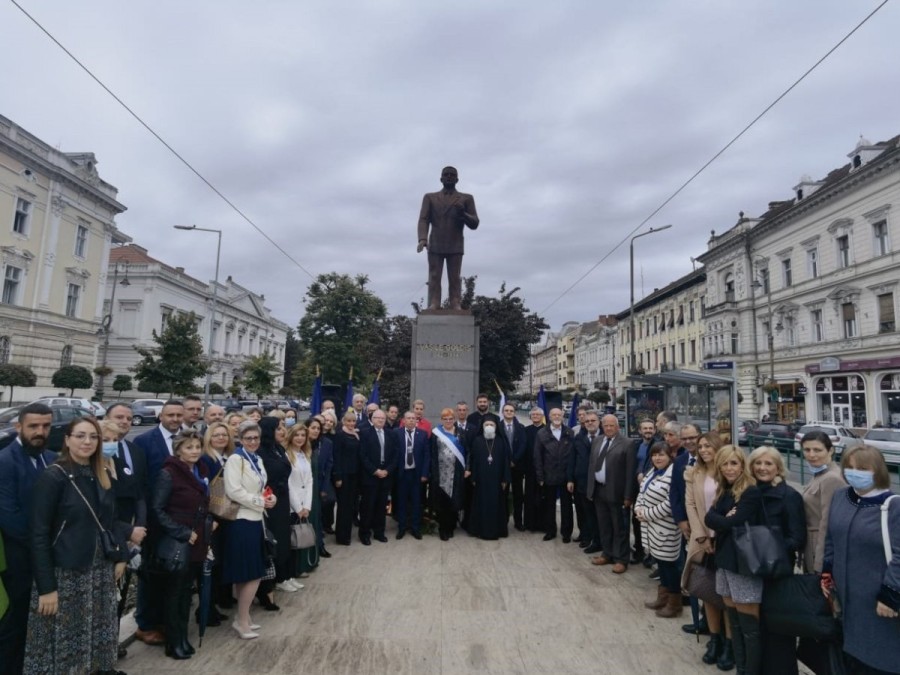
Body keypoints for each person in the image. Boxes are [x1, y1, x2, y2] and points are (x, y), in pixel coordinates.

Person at [25, 417, 129, 673]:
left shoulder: (100, 473)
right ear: (67, 440)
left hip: (99, 571)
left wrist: (120, 556)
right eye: (81, 435)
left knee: (96, 634)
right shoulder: (54, 476)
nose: (87, 441)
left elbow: (111, 520)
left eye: (93, 436)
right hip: (67, 572)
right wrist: (47, 587)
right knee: (63, 640)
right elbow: (38, 534)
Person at [822, 446, 900, 674]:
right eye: (850, 467)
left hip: (880, 604)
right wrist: (826, 574)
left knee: (881, 659)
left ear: (878, 471)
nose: (855, 472)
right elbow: (831, 538)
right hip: (847, 600)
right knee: (851, 658)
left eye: (863, 468)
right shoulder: (841, 496)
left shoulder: (893, 506)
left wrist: (891, 594)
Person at [0, 403, 56, 673]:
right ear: (18, 427)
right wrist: (43, 547)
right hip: (18, 561)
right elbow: (10, 518)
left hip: (47, 558)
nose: (40, 432)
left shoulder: (52, 458)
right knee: (15, 625)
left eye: (45, 426)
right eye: (33, 426)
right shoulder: (4, 461)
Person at [150, 430, 212, 660]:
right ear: (178, 450)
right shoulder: (169, 473)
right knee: (175, 593)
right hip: (180, 540)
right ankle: (173, 641)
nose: (194, 451)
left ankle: (183, 637)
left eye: (197, 446)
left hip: (198, 539)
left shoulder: (200, 470)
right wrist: (182, 532)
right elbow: (157, 509)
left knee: (187, 592)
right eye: (189, 447)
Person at [704, 445, 763, 675]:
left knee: (748, 623)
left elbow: (728, 523)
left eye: (734, 463)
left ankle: (752, 670)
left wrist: (719, 519)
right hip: (725, 560)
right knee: (733, 619)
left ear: (742, 465)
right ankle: (741, 666)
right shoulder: (724, 490)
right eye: (725, 463)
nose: (729, 468)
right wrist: (719, 518)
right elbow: (710, 518)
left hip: (743, 564)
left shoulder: (750, 492)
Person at [749, 445, 806, 675]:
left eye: (768, 463)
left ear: (778, 468)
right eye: (758, 463)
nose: (762, 468)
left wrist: (769, 547)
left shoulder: (789, 496)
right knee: (757, 623)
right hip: (752, 566)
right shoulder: (750, 492)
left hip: (777, 569)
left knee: (778, 625)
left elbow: (797, 537)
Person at [682, 431, 733, 669]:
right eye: (700, 446)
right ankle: (715, 639)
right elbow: (690, 505)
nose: (703, 450)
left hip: (727, 540)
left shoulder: (730, 471)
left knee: (727, 596)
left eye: (707, 446)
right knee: (709, 593)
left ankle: (730, 644)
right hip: (704, 540)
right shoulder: (694, 473)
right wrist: (701, 535)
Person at [222, 421, 276, 639]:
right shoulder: (236, 459)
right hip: (241, 521)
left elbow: (261, 486)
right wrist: (259, 501)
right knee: (251, 573)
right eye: (248, 438)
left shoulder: (258, 459)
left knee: (250, 573)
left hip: (256, 519)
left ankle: (244, 618)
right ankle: (242, 620)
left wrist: (269, 497)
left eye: (256, 438)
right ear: (241, 439)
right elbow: (233, 491)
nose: (253, 442)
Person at [416, 165, 480, 310]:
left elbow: (475, 223)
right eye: (446, 174)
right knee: (434, 275)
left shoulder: (466, 198)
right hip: (435, 243)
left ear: (457, 179)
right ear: (441, 178)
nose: (449, 176)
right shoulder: (430, 197)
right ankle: (434, 303)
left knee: (455, 277)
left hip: (455, 243)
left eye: (452, 174)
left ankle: (455, 302)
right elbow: (423, 219)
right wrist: (422, 239)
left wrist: (463, 213)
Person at [635, 442, 683, 618]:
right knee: (661, 565)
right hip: (652, 527)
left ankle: (674, 603)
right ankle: (662, 598)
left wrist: (646, 514)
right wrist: (638, 508)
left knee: (669, 567)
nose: (657, 458)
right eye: (655, 455)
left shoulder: (673, 475)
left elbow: (670, 504)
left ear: (670, 456)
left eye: (661, 455)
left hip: (666, 528)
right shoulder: (653, 471)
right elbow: (642, 492)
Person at [589, 414, 636, 574]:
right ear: (602, 426)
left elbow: (630, 472)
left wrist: (628, 496)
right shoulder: (597, 440)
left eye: (612, 426)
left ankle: (621, 559)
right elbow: (592, 465)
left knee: (620, 527)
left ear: (617, 427)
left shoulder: (628, 443)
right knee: (604, 525)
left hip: (618, 492)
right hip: (599, 490)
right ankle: (607, 553)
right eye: (606, 425)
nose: (608, 428)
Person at [256, 417, 293, 603]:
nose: (282, 431)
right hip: (270, 501)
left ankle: (282, 576)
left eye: (283, 428)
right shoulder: (261, 452)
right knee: (274, 540)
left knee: (283, 538)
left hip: (282, 499)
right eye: (278, 428)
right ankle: (269, 584)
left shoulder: (278, 449)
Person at [799, 431, 846, 574]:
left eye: (817, 450)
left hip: (818, 547)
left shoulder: (831, 478)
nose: (811, 455)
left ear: (830, 450)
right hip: (811, 544)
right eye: (807, 450)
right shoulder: (820, 474)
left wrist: (820, 564)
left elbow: (827, 522)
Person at [534, 407, 575, 542]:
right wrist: (540, 476)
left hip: (565, 476)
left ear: (563, 416)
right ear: (549, 417)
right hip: (548, 475)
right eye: (554, 415)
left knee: (567, 507)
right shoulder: (542, 433)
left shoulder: (570, 432)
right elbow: (537, 456)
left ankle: (566, 533)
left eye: (559, 414)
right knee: (549, 506)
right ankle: (550, 531)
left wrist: (571, 477)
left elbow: (573, 456)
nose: (557, 417)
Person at [358, 410, 398, 545]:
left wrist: (387, 470)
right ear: (372, 419)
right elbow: (362, 456)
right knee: (368, 506)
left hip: (386, 476)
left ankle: (379, 532)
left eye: (383, 418)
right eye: (377, 418)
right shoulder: (365, 433)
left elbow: (395, 455)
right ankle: (364, 533)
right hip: (370, 476)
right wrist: (375, 471)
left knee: (382, 507)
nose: (380, 420)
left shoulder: (391, 434)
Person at [467, 419, 510, 540]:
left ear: (496, 427)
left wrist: (505, 479)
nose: (489, 426)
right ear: (483, 427)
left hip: (497, 480)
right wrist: (473, 477)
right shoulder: (477, 440)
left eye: (492, 424)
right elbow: (473, 460)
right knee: (481, 504)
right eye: (487, 424)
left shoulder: (501, 441)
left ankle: (497, 531)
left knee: (496, 505)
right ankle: (479, 530)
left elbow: (505, 461)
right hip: (481, 480)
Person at [430, 408, 468, 540]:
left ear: (454, 419)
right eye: (445, 419)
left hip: (456, 473)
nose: (448, 421)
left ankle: (451, 526)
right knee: (442, 502)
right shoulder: (436, 433)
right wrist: (432, 472)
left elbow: (468, 451)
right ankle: (442, 528)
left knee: (454, 501)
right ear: (442, 420)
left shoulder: (461, 433)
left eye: (450, 418)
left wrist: (467, 468)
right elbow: (432, 453)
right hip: (440, 473)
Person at [285, 424, 316, 578]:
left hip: (305, 504)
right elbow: (288, 484)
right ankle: (290, 574)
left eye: (303, 435)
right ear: (291, 436)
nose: (300, 438)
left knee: (301, 538)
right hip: (292, 505)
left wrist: (307, 506)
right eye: (297, 435)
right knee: (292, 539)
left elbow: (309, 481)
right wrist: (298, 507)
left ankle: (299, 569)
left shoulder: (305, 454)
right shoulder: (286, 455)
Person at [394, 411, 430, 539]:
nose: (410, 420)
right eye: (408, 418)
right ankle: (402, 528)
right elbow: (393, 454)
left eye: (413, 418)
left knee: (416, 502)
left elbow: (427, 455)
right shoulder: (396, 433)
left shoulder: (423, 435)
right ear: (403, 420)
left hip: (417, 474)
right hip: (402, 474)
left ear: (416, 421)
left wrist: (425, 473)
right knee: (401, 502)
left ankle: (415, 528)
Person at [569, 411, 600, 552]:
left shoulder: (605, 437)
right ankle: (585, 536)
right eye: (587, 421)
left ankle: (597, 539)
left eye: (593, 420)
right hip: (581, 481)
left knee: (596, 513)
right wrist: (570, 479)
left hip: (599, 483)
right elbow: (572, 460)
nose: (590, 423)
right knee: (583, 511)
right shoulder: (578, 438)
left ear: (598, 422)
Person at [332, 410, 362, 546]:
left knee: (351, 506)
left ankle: (347, 534)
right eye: (348, 421)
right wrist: (337, 477)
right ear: (343, 422)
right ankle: (341, 537)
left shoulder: (356, 435)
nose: (351, 424)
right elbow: (336, 457)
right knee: (343, 507)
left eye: (353, 421)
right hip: (343, 476)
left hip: (355, 475)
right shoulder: (339, 435)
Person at [630, 418, 657, 563]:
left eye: (650, 428)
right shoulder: (636, 445)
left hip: (652, 488)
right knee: (636, 519)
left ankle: (652, 555)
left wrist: (644, 475)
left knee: (650, 520)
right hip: (636, 488)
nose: (648, 431)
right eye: (645, 428)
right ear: (639, 431)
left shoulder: (658, 445)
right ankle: (639, 550)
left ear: (654, 430)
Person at [498, 403, 527, 531]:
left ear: (514, 412)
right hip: (503, 467)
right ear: (503, 412)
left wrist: (514, 460)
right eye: (506, 410)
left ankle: (518, 522)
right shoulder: (498, 427)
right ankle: (503, 521)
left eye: (511, 410)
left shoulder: (521, 427)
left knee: (518, 495)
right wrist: (507, 461)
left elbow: (523, 445)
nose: (509, 412)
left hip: (517, 467)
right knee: (503, 494)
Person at [308, 417, 335, 550]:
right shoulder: (300, 443)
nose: (316, 431)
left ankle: (320, 546)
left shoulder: (326, 443)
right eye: (313, 428)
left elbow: (329, 466)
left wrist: (324, 487)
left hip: (319, 484)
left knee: (317, 516)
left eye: (318, 428)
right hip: (304, 487)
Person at [523, 408, 545, 532]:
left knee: (542, 497)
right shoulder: (526, 430)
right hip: (530, 469)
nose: (536, 416)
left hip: (544, 469)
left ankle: (542, 525)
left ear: (542, 416)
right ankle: (529, 524)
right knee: (530, 497)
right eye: (533, 414)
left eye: (538, 414)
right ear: (530, 417)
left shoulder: (547, 430)